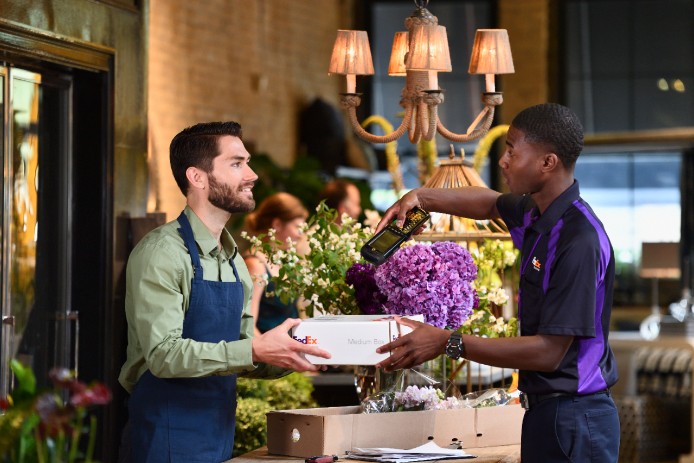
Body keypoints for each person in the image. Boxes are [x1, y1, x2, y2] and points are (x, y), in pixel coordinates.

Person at [374, 103, 620, 462]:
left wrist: (448, 343)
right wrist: (421, 197)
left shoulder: (577, 240)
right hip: (545, 412)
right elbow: (490, 204)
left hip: (575, 417)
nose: (503, 161)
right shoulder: (537, 214)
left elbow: (548, 353)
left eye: (512, 150)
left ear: (547, 163)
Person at [117, 121, 330, 463]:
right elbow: (164, 355)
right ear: (197, 177)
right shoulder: (163, 253)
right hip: (166, 435)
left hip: (217, 434)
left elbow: (244, 352)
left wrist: (303, 350)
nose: (252, 174)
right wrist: (255, 349)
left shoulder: (233, 260)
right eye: (236, 163)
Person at [243, 192, 308, 335]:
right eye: (297, 227)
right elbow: (248, 327)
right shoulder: (255, 265)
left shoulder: (283, 260)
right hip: (270, 353)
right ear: (277, 224)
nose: (300, 234)